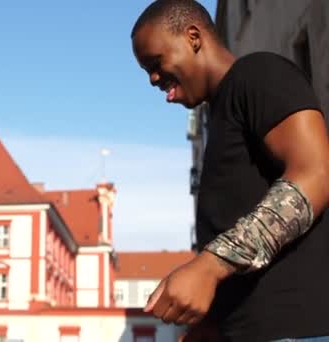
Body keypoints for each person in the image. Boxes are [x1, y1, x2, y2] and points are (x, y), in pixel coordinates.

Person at [131, 1, 329, 341]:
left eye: (155, 63)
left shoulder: (260, 74)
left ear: (193, 37)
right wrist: (208, 327)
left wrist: (209, 266)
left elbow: (316, 175)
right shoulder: (218, 123)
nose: (152, 79)